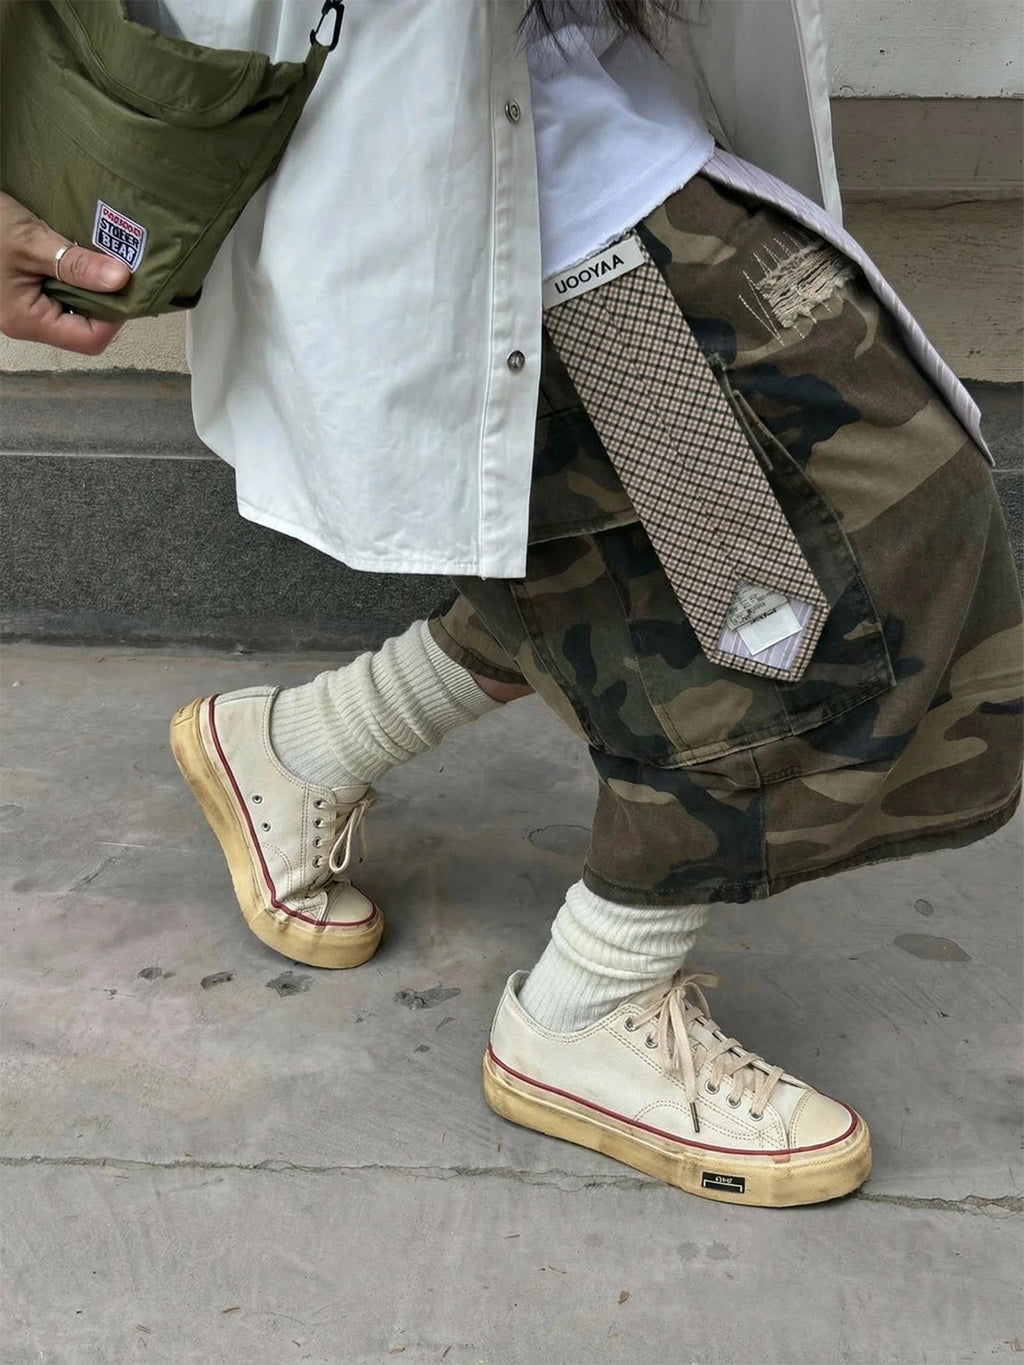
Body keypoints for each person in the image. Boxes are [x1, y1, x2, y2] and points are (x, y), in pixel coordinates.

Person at [2, 0, 1020, 1209]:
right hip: (508, 177)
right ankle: (587, 1008)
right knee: (867, 538)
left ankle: (302, 746)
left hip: (575, 104)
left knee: (612, 544)